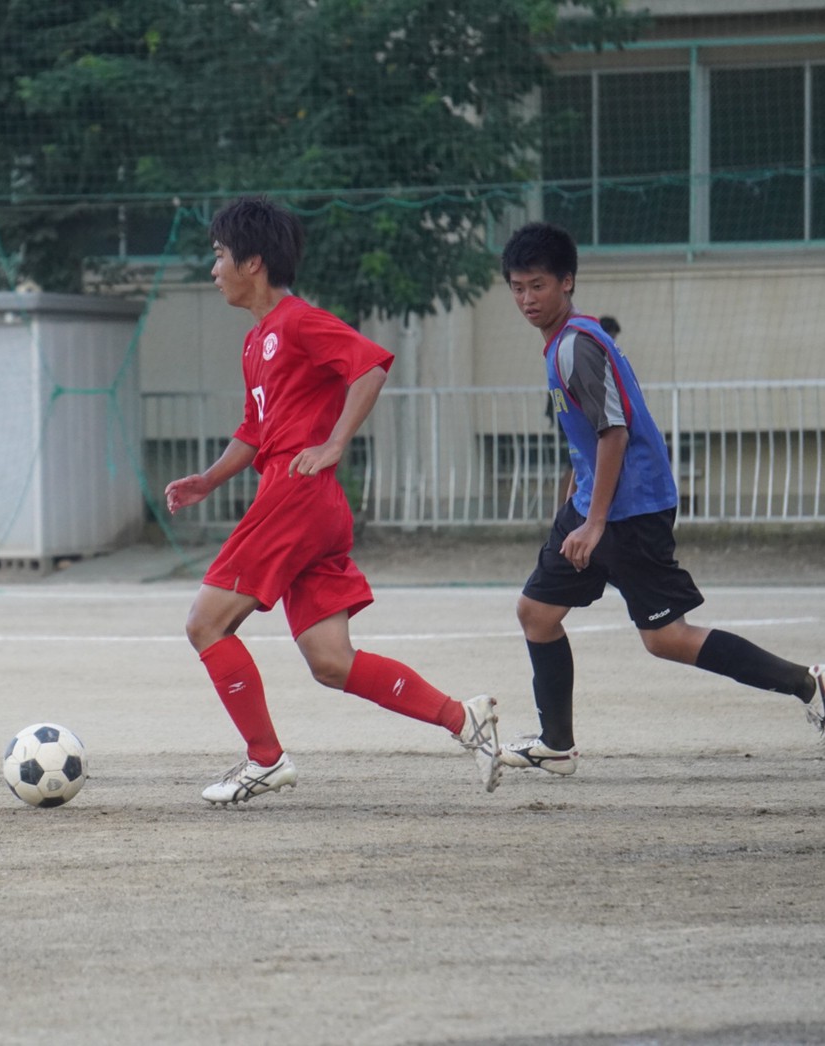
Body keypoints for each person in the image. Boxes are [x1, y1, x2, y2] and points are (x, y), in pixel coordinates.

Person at [164, 196, 504, 805]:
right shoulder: (255, 342)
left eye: (218, 256)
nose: (212, 270)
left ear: (254, 263)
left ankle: (264, 760)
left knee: (204, 624)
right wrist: (208, 481)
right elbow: (252, 431)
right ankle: (463, 718)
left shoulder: (297, 320)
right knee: (330, 661)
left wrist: (333, 443)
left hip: (297, 495)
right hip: (308, 502)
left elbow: (370, 366)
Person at [499, 222, 821, 776]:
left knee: (666, 638)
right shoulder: (566, 342)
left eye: (538, 286)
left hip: (631, 510)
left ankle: (807, 683)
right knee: (536, 612)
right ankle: (556, 744)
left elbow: (614, 433)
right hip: (596, 507)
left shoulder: (576, 345)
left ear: (567, 282)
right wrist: (575, 503)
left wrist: (594, 522)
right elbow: (589, 436)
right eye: (518, 287)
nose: (527, 299)